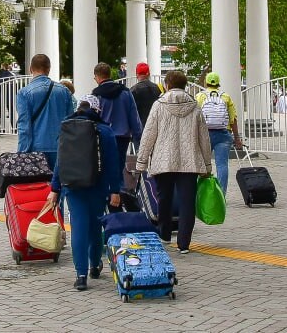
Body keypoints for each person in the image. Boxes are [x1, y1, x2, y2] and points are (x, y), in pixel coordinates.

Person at [46, 94, 121, 291]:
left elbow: (60, 162)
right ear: (97, 110)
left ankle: (80, 275)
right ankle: (95, 266)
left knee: (78, 227)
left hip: (72, 187)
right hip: (98, 185)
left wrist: (55, 188)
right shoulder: (105, 131)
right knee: (96, 226)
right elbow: (113, 165)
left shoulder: (66, 128)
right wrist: (115, 190)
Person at [135, 70, 212, 254]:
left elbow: (148, 135)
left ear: (167, 85)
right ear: (185, 86)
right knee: (187, 203)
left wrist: (141, 163)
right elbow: (204, 138)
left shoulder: (159, 105)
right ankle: (184, 244)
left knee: (164, 198)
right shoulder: (195, 107)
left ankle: (165, 235)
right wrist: (207, 164)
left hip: (164, 161)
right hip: (190, 161)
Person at [15, 53, 74, 168]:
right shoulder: (64, 91)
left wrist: (22, 153)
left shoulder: (24, 93)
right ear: (49, 69)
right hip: (60, 147)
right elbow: (70, 121)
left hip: (36, 149)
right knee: (59, 184)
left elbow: (24, 126)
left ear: (30, 69)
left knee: (38, 184)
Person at [91, 61, 143, 184]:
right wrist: (138, 136)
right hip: (122, 138)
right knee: (119, 168)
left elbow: (92, 118)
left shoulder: (96, 94)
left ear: (97, 77)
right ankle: (118, 195)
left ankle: (107, 196)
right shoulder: (125, 92)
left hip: (103, 137)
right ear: (110, 75)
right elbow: (133, 116)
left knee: (103, 169)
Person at [195, 71, 244, 193]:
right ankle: (221, 195)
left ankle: (201, 193)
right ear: (218, 84)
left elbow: (194, 117)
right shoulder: (226, 97)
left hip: (205, 135)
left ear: (206, 83)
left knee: (201, 165)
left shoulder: (200, 96)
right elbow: (233, 119)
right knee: (222, 165)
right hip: (223, 134)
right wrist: (237, 138)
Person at [130, 62, 162, 126]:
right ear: (149, 74)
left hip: (140, 126)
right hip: (157, 125)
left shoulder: (133, 90)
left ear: (137, 75)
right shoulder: (159, 88)